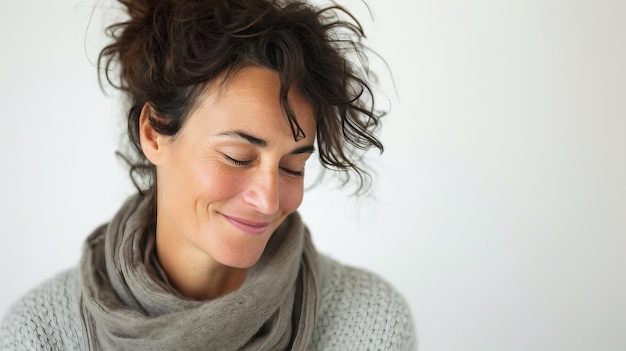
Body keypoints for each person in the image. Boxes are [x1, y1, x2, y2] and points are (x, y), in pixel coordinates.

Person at [0, 0, 416, 349]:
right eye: (237, 157)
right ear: (154, 134)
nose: (269, 201)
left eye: (293, 166)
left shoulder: (365, 323)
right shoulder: (41, 333)